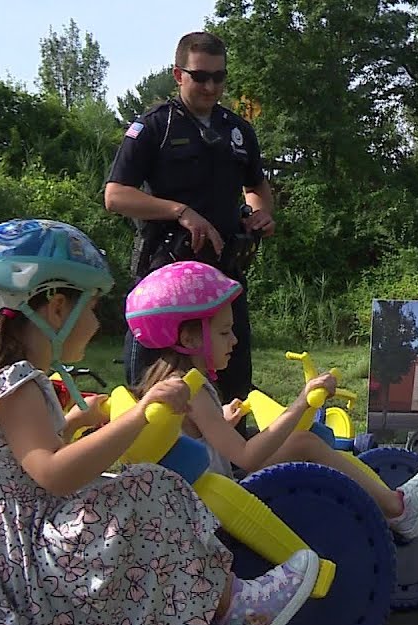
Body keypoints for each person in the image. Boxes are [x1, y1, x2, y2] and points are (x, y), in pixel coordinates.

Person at [0, 220, 315, 625]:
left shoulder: (22, 380)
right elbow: (52, 472)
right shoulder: (17, 382)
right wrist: (139, 415)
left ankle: (229, 605)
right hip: (19, 545)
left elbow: (30, 458)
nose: (97, 323)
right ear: (57, 308)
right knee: (149, 490)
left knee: (137, 492)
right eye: (93, 306)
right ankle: (236, 607)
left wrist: (80, 420)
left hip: (19, 534)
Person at [126, 260, 418, 540]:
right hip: (215, 506)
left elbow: (194, 439)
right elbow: (247, 457)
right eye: (225, 332)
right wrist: (303, 403)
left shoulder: (174, 383)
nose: (235, 340)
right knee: (303, 443)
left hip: (201, 495)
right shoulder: (191, 388)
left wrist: (222, 422)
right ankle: (399, 508)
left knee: (298, 443)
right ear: (188, 338)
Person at [104, 30, 274, 406]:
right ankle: (150, 461)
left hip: (223, 275)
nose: (211, 86)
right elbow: (115, 196)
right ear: (178, 74)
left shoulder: (238, 130)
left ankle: (232, 461)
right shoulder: (153, 126)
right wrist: (179, 211)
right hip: (167, 274)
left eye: (219, 76)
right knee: (155, 385)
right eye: (200, 76)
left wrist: (260, 214)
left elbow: (257, 186)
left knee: (232, 386)